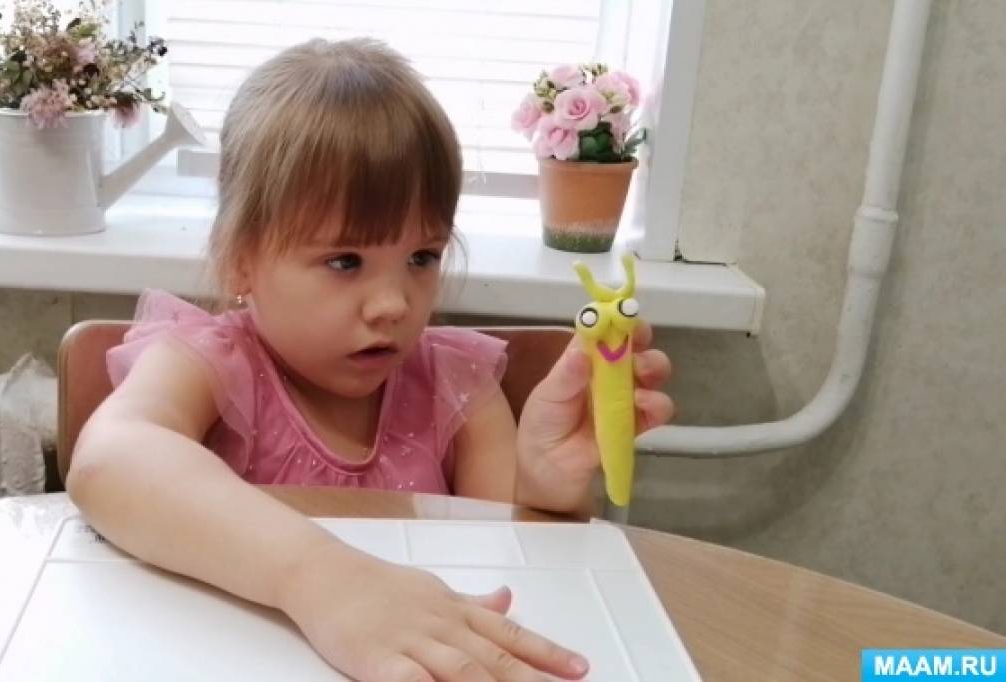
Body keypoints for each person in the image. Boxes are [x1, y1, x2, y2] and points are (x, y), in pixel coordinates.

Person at [68, 37, 673, 681]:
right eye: (344, 261)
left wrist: (547, 486)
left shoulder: (454, 384)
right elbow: (109, 461)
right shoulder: (210, 363)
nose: (393, 304)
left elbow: (520, 567)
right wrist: (322, 578)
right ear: (242, 258)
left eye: (422, 257)